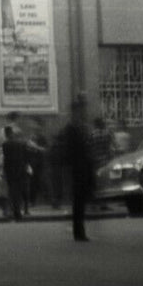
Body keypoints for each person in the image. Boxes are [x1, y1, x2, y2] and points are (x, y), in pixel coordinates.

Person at [63, 96, 95, 241]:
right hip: (78, 169)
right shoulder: (71, 129)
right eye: (80, 110)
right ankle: (79, 232)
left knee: (80, 201)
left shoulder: (80, 127)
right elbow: (71, 151)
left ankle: (80, 231)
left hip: (83, 169)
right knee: (78, 201)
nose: (82, 113)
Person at [0, 127, 32, 220]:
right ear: (12, 133)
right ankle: (20, 211)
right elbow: (27, 157)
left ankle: (15, 211)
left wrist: (5, 171)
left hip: (11, 171)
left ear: (6, 134)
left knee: (12, 191)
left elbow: (6, 159)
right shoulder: (21, 144)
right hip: (21, 170)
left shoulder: (5, 145)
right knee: (20, 191)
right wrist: (25, 166)